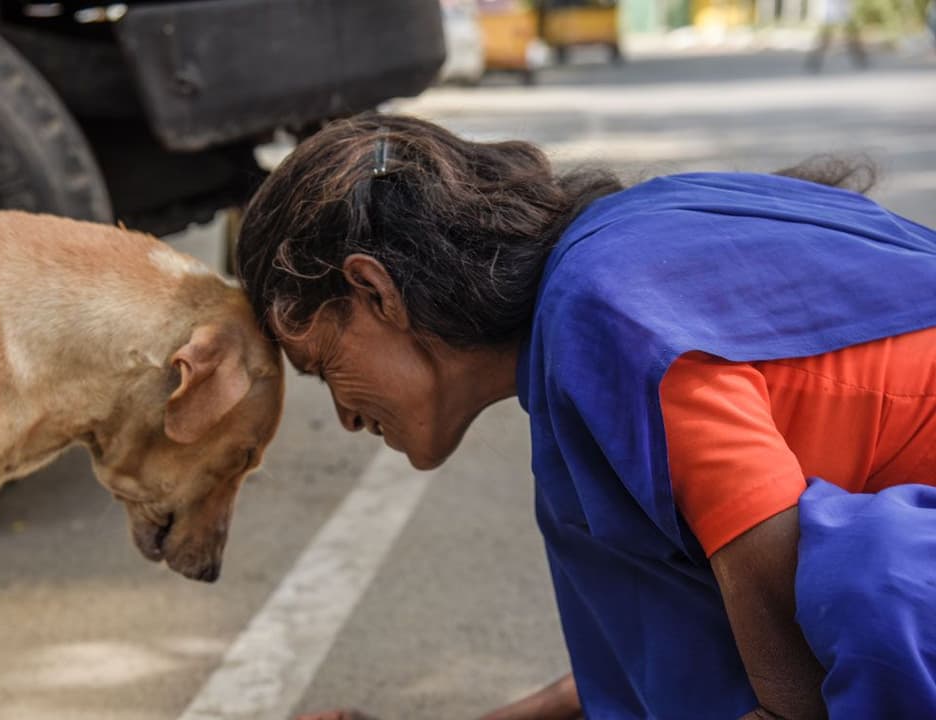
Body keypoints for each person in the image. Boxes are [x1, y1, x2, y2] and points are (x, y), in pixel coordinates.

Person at [235, 113, 936, 720]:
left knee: (866, 586)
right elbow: (669, 649)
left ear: (374, 290)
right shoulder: (594, 288)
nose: (346, 418)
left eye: (324, 366)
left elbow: (794, 693)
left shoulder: (600, 313)